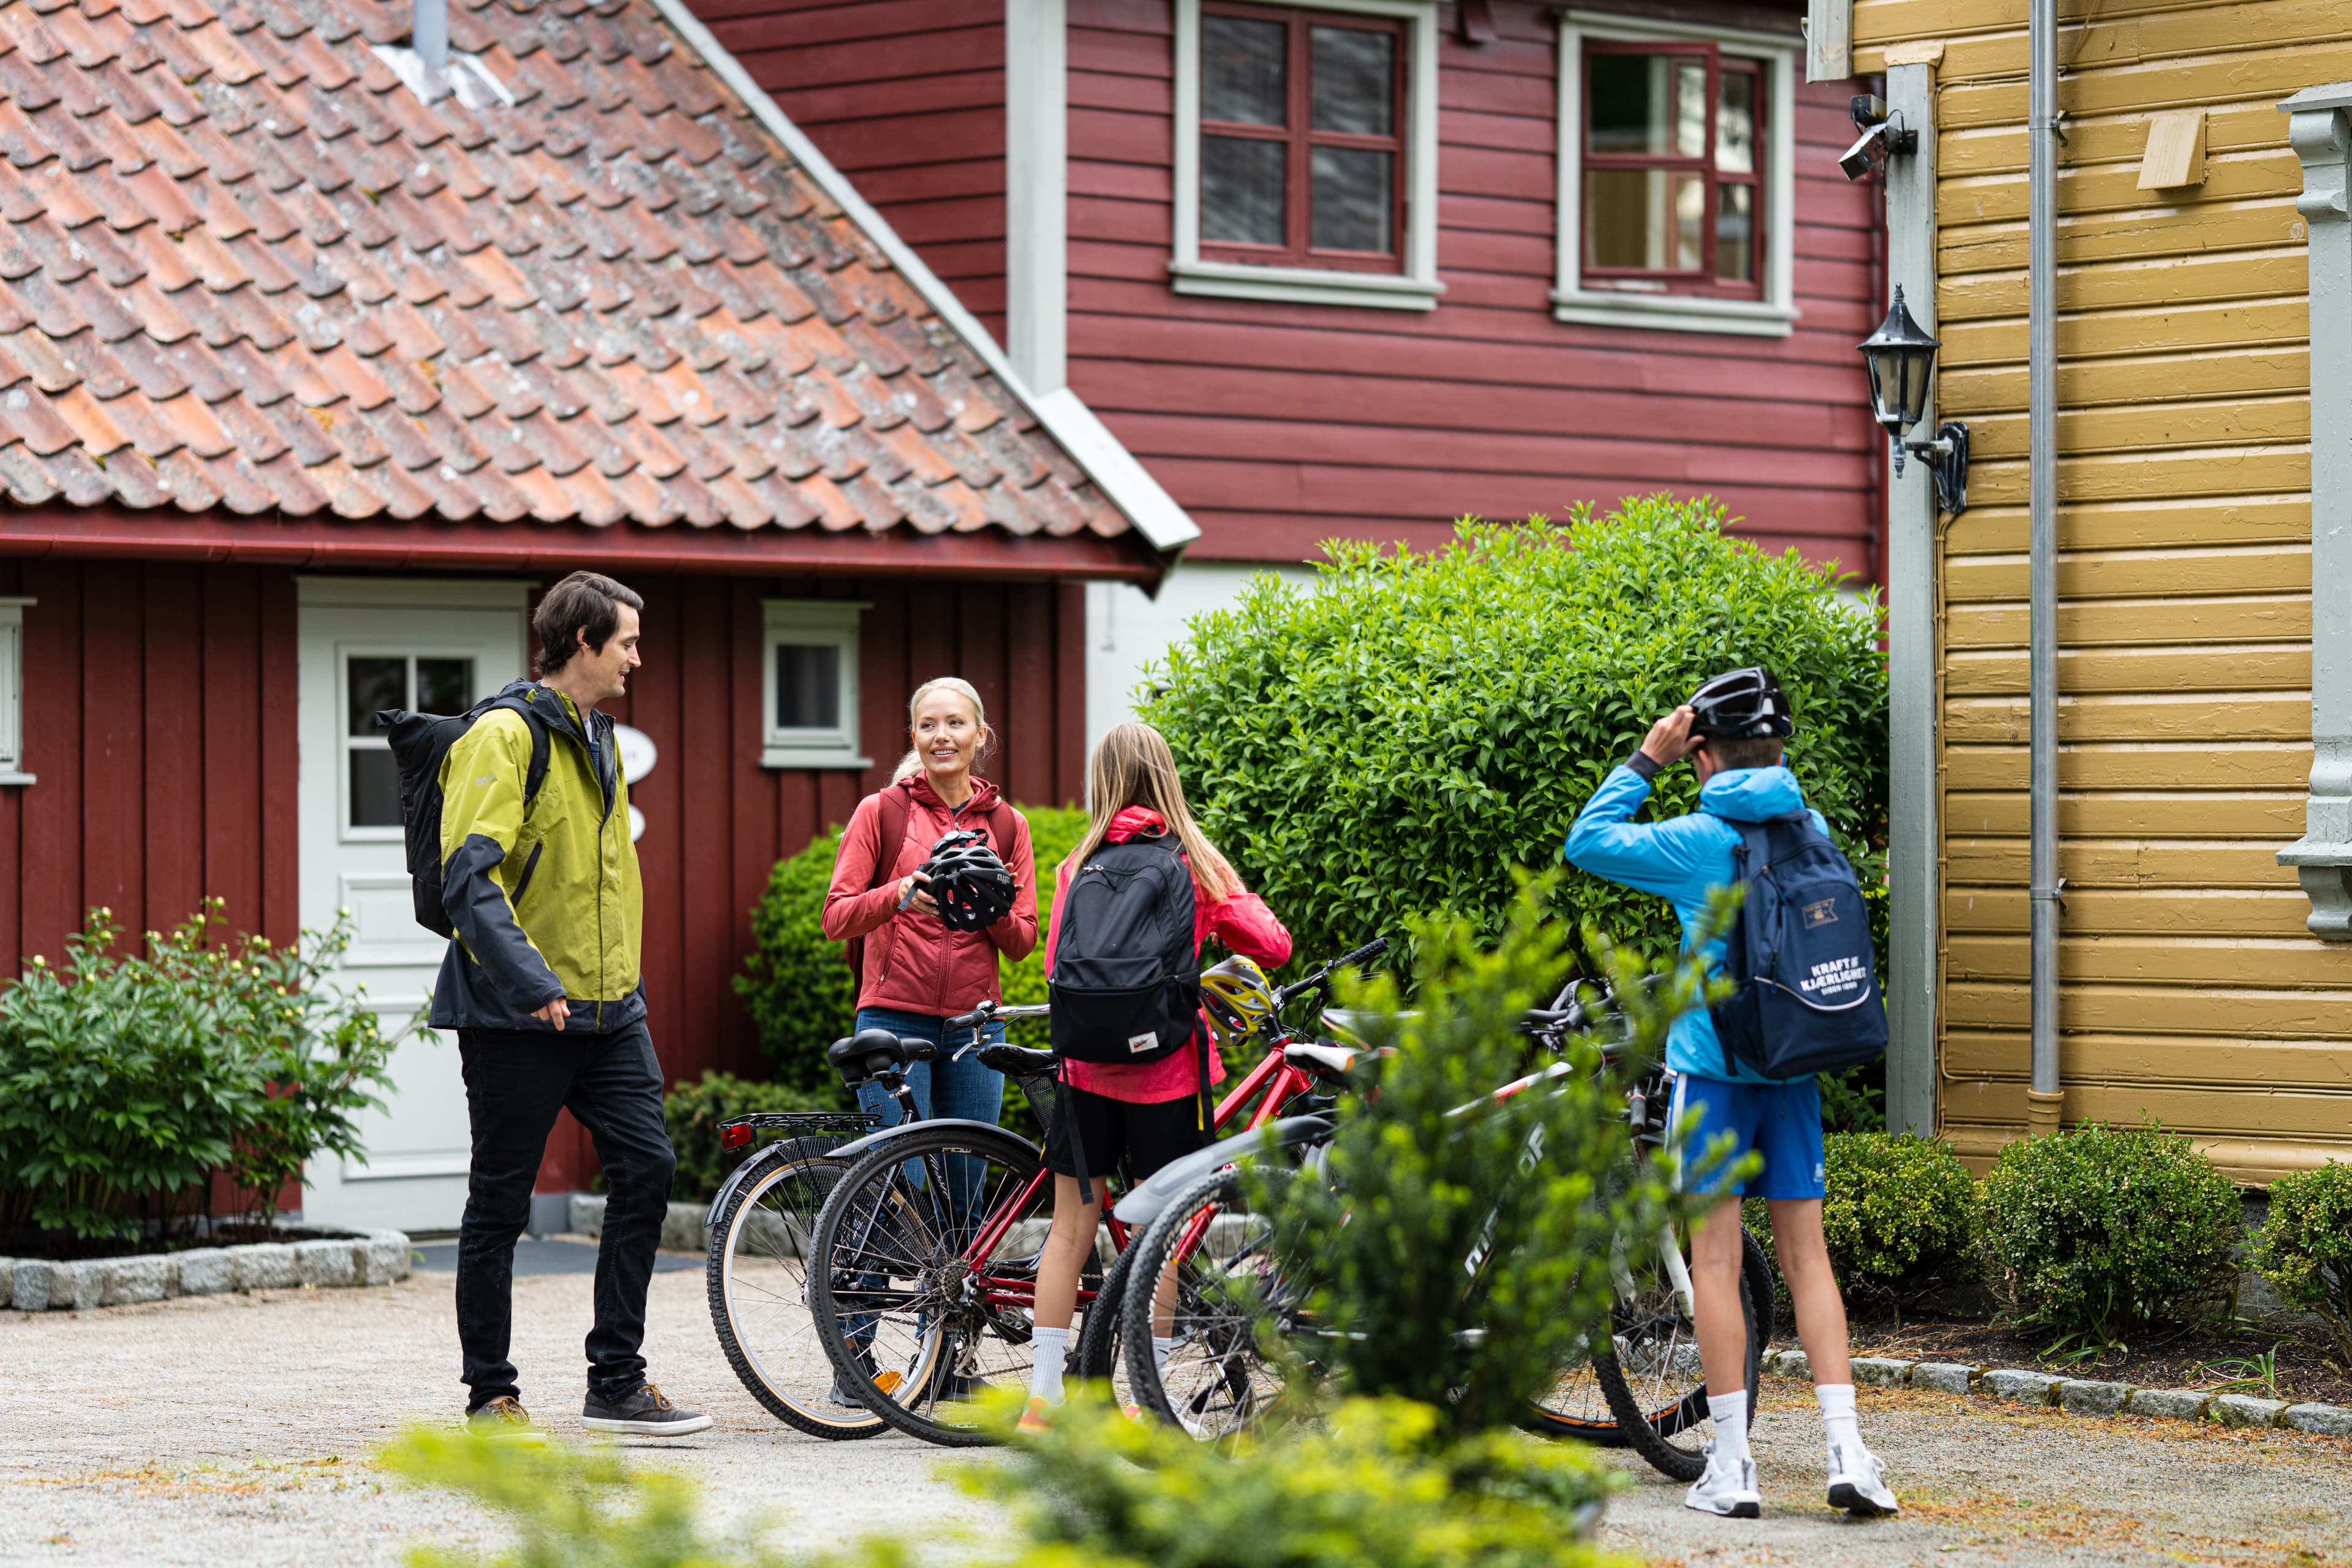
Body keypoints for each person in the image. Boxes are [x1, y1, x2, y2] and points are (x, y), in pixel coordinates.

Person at [1562, 668, 1898, 1520]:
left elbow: (1588, 842)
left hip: (1714, 1075)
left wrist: (1645, 758)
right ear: (1779, 749)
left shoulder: (1698, 841)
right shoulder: (1810, 826)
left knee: (1713, 1260)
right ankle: (1849, 1453)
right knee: (1807, 1258)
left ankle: (1734, 1466)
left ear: (1702, 753)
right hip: (1795, 1070)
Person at [435, 571, 708, 1441]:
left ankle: (616, 1381)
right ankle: (491, 1394)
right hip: (519, 1014)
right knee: (501, 1205)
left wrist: (619, 978)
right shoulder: (503, 737)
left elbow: (603, 877)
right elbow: (468, 880)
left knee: (648, 1168)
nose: (637, 657)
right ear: (582, 643)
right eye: (625, 641)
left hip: (609, 1010)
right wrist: (532, 982)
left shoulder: (604, 737)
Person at [1020, 722, 1292, 1433]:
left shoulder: (1076, 865)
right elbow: (1275, 944)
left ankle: (1043, 1402)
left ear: (1101, 778)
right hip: (1168, 1073)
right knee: (1162, 1236)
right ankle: (1146, 1399)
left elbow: (1055, 969)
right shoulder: (1194, 861)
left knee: (1069, 1231)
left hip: (1084, 1070)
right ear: (1166, 774)